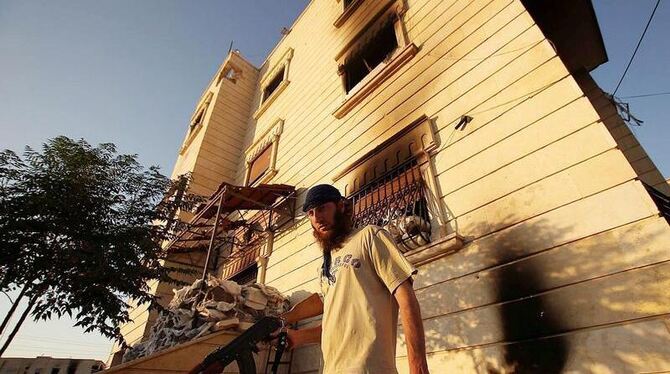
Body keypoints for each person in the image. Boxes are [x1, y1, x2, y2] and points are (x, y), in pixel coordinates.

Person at [270, 183, 430, 374]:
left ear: (341, 206)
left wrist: (418, 367)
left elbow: (406, 300)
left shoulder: (369, 236)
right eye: (310, 213)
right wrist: (295, 335)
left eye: (322, 208)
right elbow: (334, 320)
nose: (317, 218)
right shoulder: (326, 263)